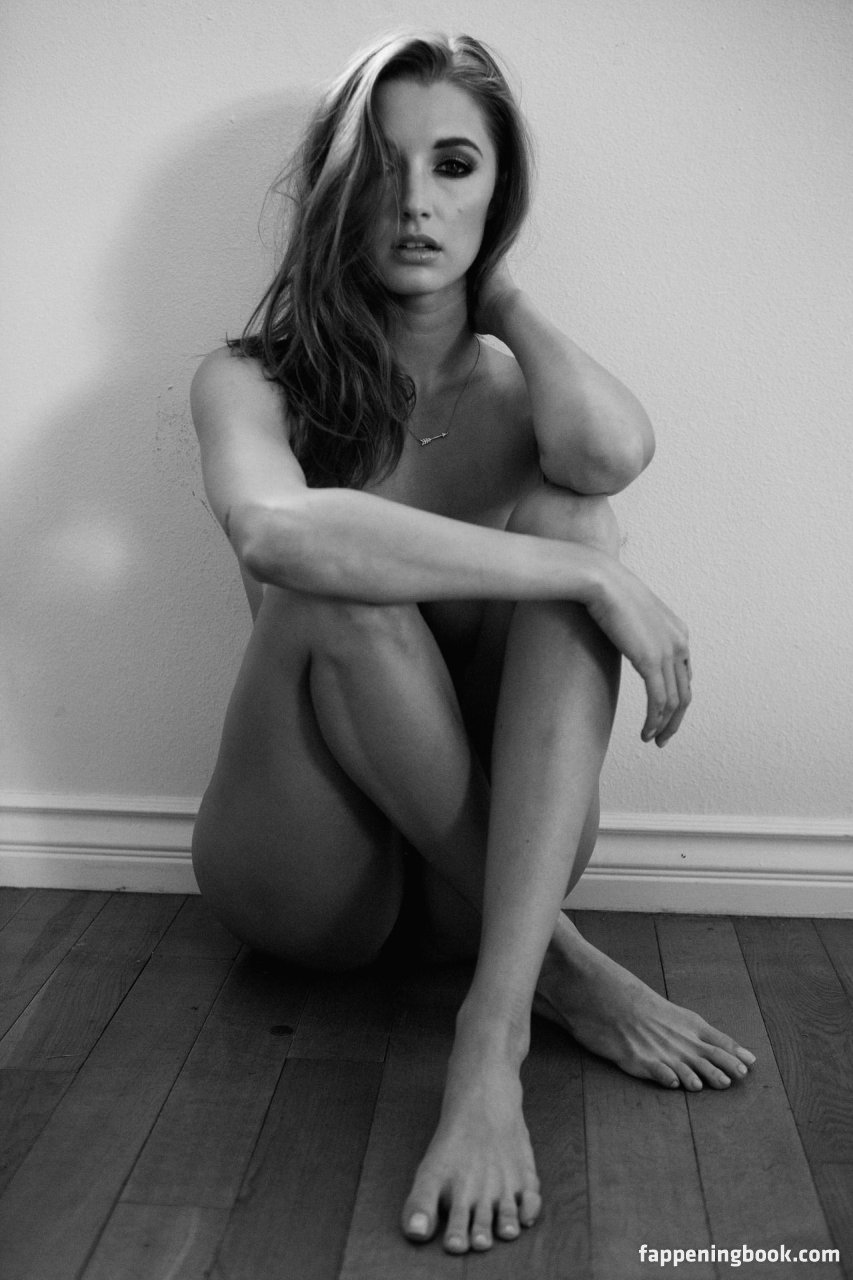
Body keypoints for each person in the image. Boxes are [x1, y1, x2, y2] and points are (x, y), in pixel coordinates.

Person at [190, 31, 755, 1256]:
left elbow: (610, 452)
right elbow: (276, 532)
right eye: (381, 168)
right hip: (312, 876)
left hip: (482, 896)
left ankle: (492, 1034)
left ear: (500, 193)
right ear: (337, 191)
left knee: (576, 510)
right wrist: (592, 579)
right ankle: (565, 965)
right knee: (341, 582)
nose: (415, 201)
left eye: (454, 167)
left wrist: (499, 296)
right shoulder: (248, 380)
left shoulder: (517, 396)